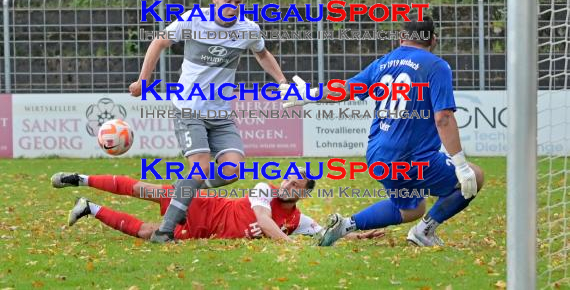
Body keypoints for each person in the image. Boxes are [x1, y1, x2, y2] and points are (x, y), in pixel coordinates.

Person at [280, 14, 484, 246]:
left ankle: (345, 225)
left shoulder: (382, 63)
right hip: (413, 156)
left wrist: (310, 94)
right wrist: (460, 164)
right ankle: (424, 233)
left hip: (379, 155)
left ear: (401, 38)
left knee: (412, 207)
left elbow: (345, 89)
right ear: (433, 40)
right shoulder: (436, 66)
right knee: (474, 176)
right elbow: (444, 118)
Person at [128, 0, 290, 242]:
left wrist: (282, 81)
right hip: (189, 109)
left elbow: (262, 54)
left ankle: (183, 192)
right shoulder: (193, 19)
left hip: (221, 114)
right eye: (228, 1)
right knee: (200, 169)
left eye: (239, 2)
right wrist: (143, 81)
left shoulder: (247, 29)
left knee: (232, 170)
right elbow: (158, 42)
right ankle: (165, 231)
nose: (233, 7)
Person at [51, 171, 384, 242]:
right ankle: (80, 179)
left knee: (151, 234)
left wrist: (359, 236)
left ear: (303, 193)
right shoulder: (264, 190)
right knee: (145, 190)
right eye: (288, 179)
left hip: (203, 234)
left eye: (295, 185)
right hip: (204, 205)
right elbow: (265, 222)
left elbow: (324, 235)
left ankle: (89, 208)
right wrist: (289, 246)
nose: (287, 185)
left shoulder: (297, 218)